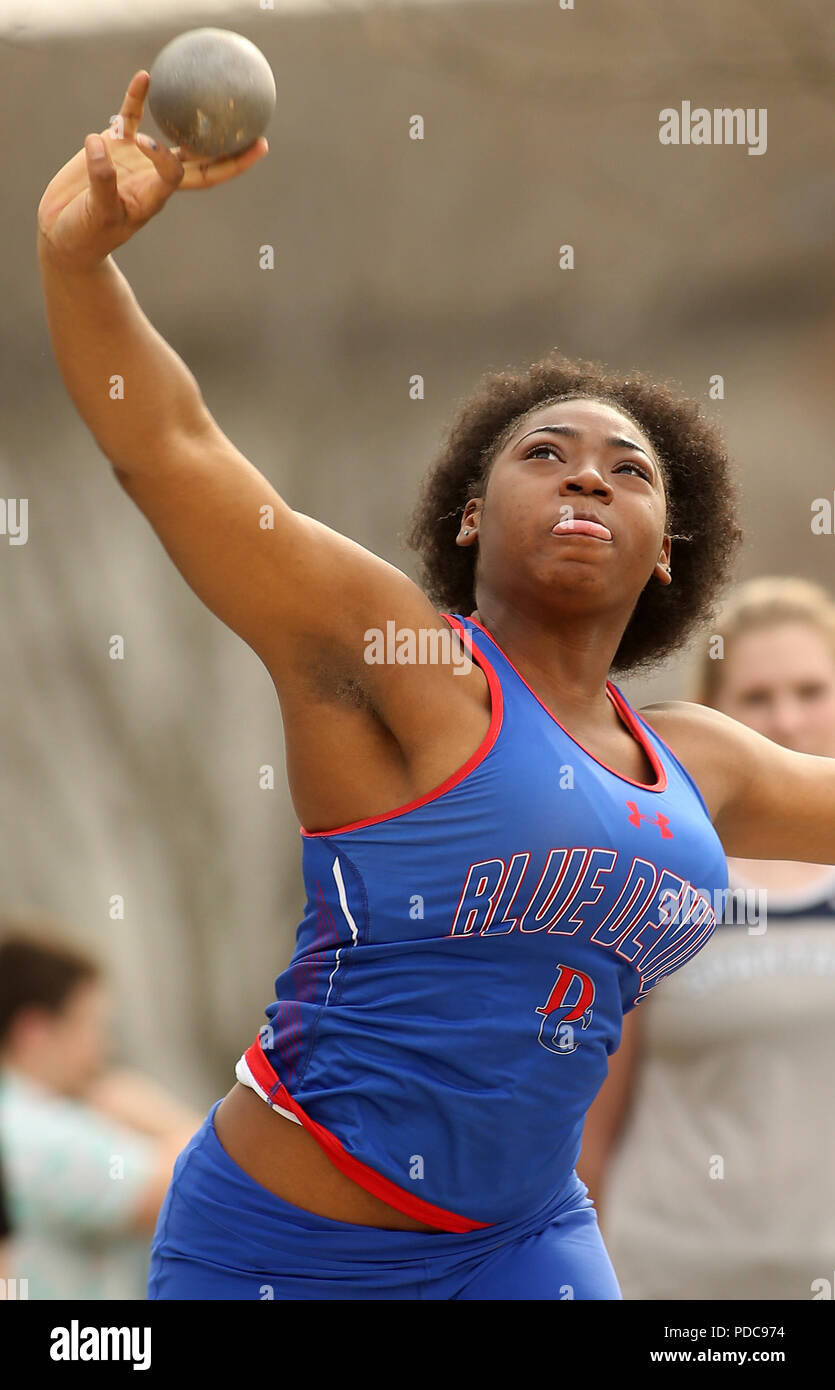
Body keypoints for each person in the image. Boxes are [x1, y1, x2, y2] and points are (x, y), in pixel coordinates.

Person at [35, 70, 835, 1301]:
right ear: (469, 513)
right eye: (545, 454)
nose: (588, 477)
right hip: (281, 1247)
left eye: (629, 469)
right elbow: (173, 447)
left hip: (522, 1243)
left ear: (669, 548)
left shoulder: (700, 762)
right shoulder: (403, 668)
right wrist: (80, 265)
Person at [577, 577, 835, 1299]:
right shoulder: (664, 882)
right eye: (756, 697)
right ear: (716, 716)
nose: (785, 718)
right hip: (671, 1281)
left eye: (810, 690)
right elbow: (588, 1122)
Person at [0, 921, 201, 1298]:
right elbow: (201, 1187)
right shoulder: (34, 1131)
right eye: (90, 1025)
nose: (102, 1048)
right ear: (34, 1031)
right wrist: (155, 1116)